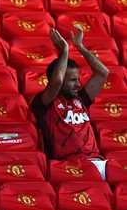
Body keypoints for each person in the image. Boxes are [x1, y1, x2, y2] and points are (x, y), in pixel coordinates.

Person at [30, 26, 109, 170]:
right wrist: (64, 50)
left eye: (78, 79)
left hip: (98, 162)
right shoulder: (44, 103)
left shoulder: (81, 99)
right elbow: (58, 81)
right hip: (70, 166)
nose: (78, 84)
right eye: (72, 80)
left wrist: (79, 46)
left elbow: (102, 73)